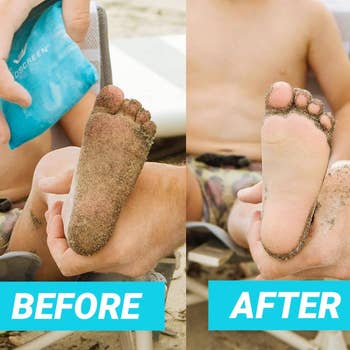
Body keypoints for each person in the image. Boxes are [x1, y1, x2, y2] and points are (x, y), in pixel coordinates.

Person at [187, 0, 350, 278]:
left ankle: (273, 225)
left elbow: (347, 104)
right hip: (189, 167)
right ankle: (268, 228)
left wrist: (336, 170)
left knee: (258, 203)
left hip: (266, 171)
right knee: (174, 189)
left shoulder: (306, 12)